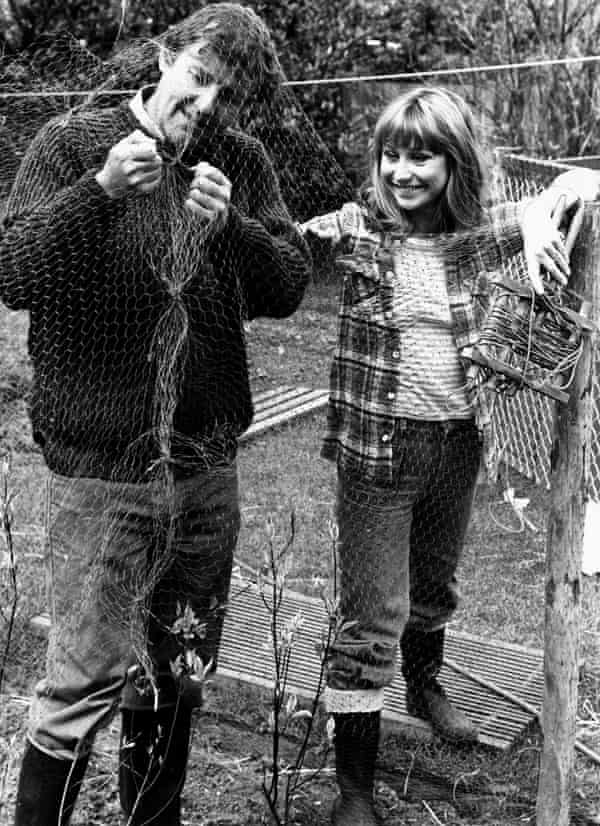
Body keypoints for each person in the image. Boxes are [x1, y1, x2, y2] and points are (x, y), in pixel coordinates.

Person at [0, 4, 311, 825]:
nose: (206, 107)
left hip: (205, 478)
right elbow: (12, 271)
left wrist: (232, 229)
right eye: (200, 80)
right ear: (167, 56)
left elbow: (286, 283)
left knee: (174, 674)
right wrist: (99, 192)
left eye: (226, 98)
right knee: (80, 683)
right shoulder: (71, 145)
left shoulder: (238, 163)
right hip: (100, 480)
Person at [299, 86, 598, 826]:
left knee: (434, 582)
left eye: (422, 155)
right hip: (377, 454)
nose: (403, 170)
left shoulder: (478, 238)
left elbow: (580, 185)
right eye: (391, 154)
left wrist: (538, 221)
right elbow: (289, 244)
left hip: (455, 444)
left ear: (454, 162)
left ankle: (424, 684)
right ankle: (356, 789)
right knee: (373, 613)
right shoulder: (359, 230)